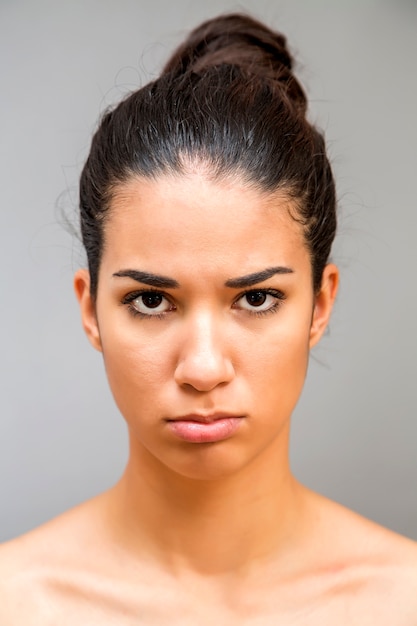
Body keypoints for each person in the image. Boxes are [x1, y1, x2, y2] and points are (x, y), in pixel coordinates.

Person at [1, 12, 416, 624]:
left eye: (256, 299)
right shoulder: (16, 601)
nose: (201, 368)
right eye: (149, 300)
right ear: (90, 309)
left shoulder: (402, 599)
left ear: (320, 305)